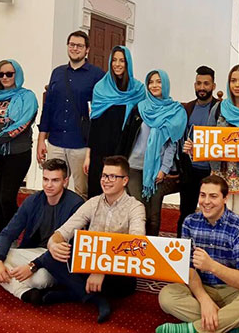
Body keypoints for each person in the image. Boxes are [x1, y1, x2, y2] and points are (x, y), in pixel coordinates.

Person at [41, 155, 145, 323]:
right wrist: (53, 244)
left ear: (125, 180)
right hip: (89, 265)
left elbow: (137, 245)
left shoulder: (136, 207)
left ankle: (74, 292)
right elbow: (64, 231)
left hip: (118, 271)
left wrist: (101, 269)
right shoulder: (93, 202)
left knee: (124, 286)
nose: (106, 181)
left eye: (113, 176)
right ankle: (94, 299)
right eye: (104, 176)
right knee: (50, 255)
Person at [157, 175, 239, 333]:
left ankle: (192, 329)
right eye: (203, 195)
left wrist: (212, 266)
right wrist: (204, 300)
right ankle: (230, 326)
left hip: (232, 290)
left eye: (213, 196)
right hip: (199, 287)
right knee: (166, 297)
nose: (206, 201)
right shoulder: (189, 222)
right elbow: (188, 269)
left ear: (225, 198)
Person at [0, 159, 84, 305]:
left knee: (40, 279)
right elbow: (8, 233)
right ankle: (23, 292)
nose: (48, 185)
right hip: (31, 252)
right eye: (45, 179)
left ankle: (2, 276)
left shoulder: (76, 205)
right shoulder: (33, 201)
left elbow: (71, 249)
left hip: (56, 261)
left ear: (65, 181)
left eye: (55, 180)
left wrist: (33, 266)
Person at [185, 65, 239, 222]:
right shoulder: (219, 108)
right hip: (220, 176)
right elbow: (208, 140)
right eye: (233, 81)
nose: (237, 85)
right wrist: (194, 148)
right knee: (218, 224)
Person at [37, 30, 104, 199]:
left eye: (79, 46)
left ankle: (79, 225)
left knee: (81, 191)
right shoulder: (57, 73)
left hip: (80, 143)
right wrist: (40, 140)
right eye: (72, 45)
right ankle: (55, 224)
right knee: (52, 188)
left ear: (87, 49)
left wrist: (92, 149)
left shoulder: (97, 75)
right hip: (56, 141)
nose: (75, 48)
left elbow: (99, 113)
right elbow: (48, 107)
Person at [118, 69, 186, 236]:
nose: (154, 85)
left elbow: (172, 145)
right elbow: (127, 137)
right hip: (134, 167)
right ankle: (136, 248)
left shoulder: (175, 111)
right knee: (138, 212)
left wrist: (164, 168)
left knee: (154, 214)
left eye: (158, 81)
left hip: (157, 170)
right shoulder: (140, 108)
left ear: (166, 84)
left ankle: (151, 249)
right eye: (151, 82)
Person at [0, 59, 38, 235]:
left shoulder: (28, 97)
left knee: (7, 198)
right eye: (1, 74)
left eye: (9, 74)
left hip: (18, 154)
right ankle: (2, 237)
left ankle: (14, 235)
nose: (5, 77)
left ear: (17, 74)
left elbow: (22, 126)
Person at [84, 46, 144, 198]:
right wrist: (88, 155)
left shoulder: (138, 90)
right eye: (114, 60)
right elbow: (94, 124)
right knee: (97, 195)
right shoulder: (100, 88)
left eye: (122, 60)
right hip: (100, 152)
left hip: (124, 151)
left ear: (128, 63)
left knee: (120, 196)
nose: (117, 64)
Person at [176, 66, 219, 238]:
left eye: (206, 84)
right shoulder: (188, 108)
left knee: (212, 214)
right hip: (190, 171)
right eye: (199, 83)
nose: (202, 88)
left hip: (211, 171)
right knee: (185, 213)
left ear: (213, 86)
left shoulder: (220, 108)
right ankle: (181, 251)